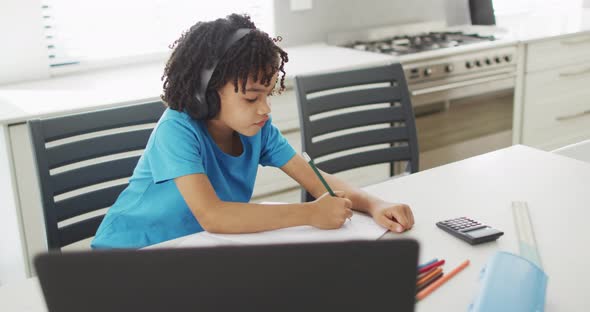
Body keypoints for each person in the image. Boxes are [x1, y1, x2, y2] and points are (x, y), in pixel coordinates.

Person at [91, 14, 414, 249]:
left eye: (268, 95)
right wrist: (308, 214)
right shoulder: (176, 131)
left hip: (194, 250)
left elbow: (319, 182)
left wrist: (375, 205)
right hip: (129, 257)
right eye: (251, 97)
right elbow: (213, 215)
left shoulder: (258, 129)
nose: (265, 109)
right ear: (207, 91)